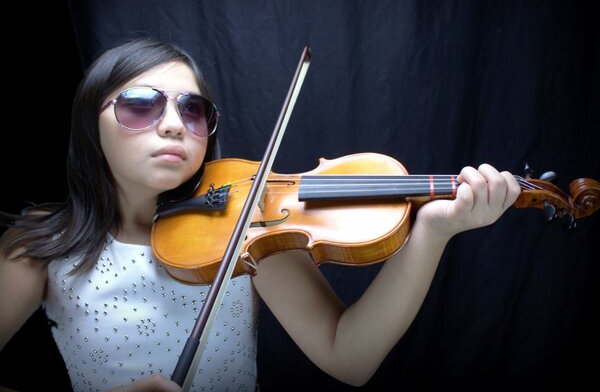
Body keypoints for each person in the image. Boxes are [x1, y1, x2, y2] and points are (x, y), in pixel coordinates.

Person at [0, 38, 521, 392]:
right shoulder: (40, 246)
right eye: (141, 104)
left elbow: (349, 358)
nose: (173, 124)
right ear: (91, 124)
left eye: (192, 109)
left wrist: (432, 231)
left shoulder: (247, 230)